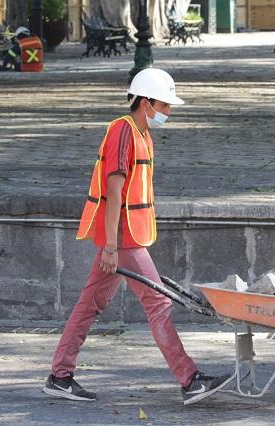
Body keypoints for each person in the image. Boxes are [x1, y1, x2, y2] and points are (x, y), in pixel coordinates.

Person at [42, 68, 231, 405]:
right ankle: (189, 380)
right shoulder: (123, 132)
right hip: (123, 239)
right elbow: (114, 193)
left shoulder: (142, 133)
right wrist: (111, 247)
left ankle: (60, 375)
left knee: (89, 305)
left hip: (126, 237)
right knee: (158, 303)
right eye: (164, 105)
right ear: (145, 103)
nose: (168, 112)